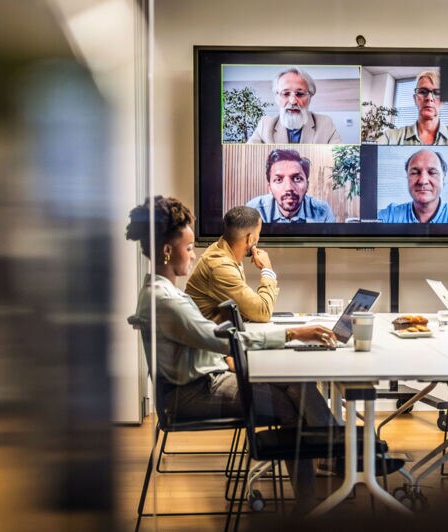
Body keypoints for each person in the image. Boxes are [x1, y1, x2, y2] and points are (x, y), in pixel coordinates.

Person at [125, 196, 336, 508]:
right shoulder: (168, 301)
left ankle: (340, 450)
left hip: (202, 379)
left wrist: (232, 358)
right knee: (292, 403)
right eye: (187, 248)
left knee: (297, 381)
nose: (194, 255)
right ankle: (313, 500)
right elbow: (228, 341)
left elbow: (216, 341)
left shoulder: (161, 292)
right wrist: (294, 333)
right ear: (167, 251)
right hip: (193, 393)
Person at [186, 206, 279, 323]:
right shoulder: (220, 266)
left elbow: (245, 311)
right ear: (250, 239)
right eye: (258, 233)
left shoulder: (224, 252)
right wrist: (267, 270)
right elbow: (262, 312)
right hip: (206, 339)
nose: (258, 238)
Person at [375, 70, 448, 146]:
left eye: (437, 93)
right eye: (423, 92)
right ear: (415, 99)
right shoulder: (390, 138)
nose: (429, 98)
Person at [376, 149, 448, 223]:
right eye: (415, 172)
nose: (423, 181)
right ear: (407, 177)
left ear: (443, 179)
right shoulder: (390, 215)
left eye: (432, 172)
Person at [248, 67, 342, 144]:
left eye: (300, 94)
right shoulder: (265, 125)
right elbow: (249, 158)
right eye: (285, 94)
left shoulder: (325, 124)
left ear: (310, 97)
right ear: (277, 97)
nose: (293, 101)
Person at [245, 148, 336, 223]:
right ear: (270, 188)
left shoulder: (323, 212)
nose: (289, 188)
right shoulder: (254, 210)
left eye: (297, 179)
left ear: (307, 185)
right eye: (279, 180)